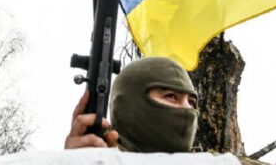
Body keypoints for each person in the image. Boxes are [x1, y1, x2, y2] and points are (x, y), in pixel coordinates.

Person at [65, 56, 198, 153]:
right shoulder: (105, 162)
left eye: (191, 102)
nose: (187, 108)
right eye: (171, 96)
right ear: (129, 104)